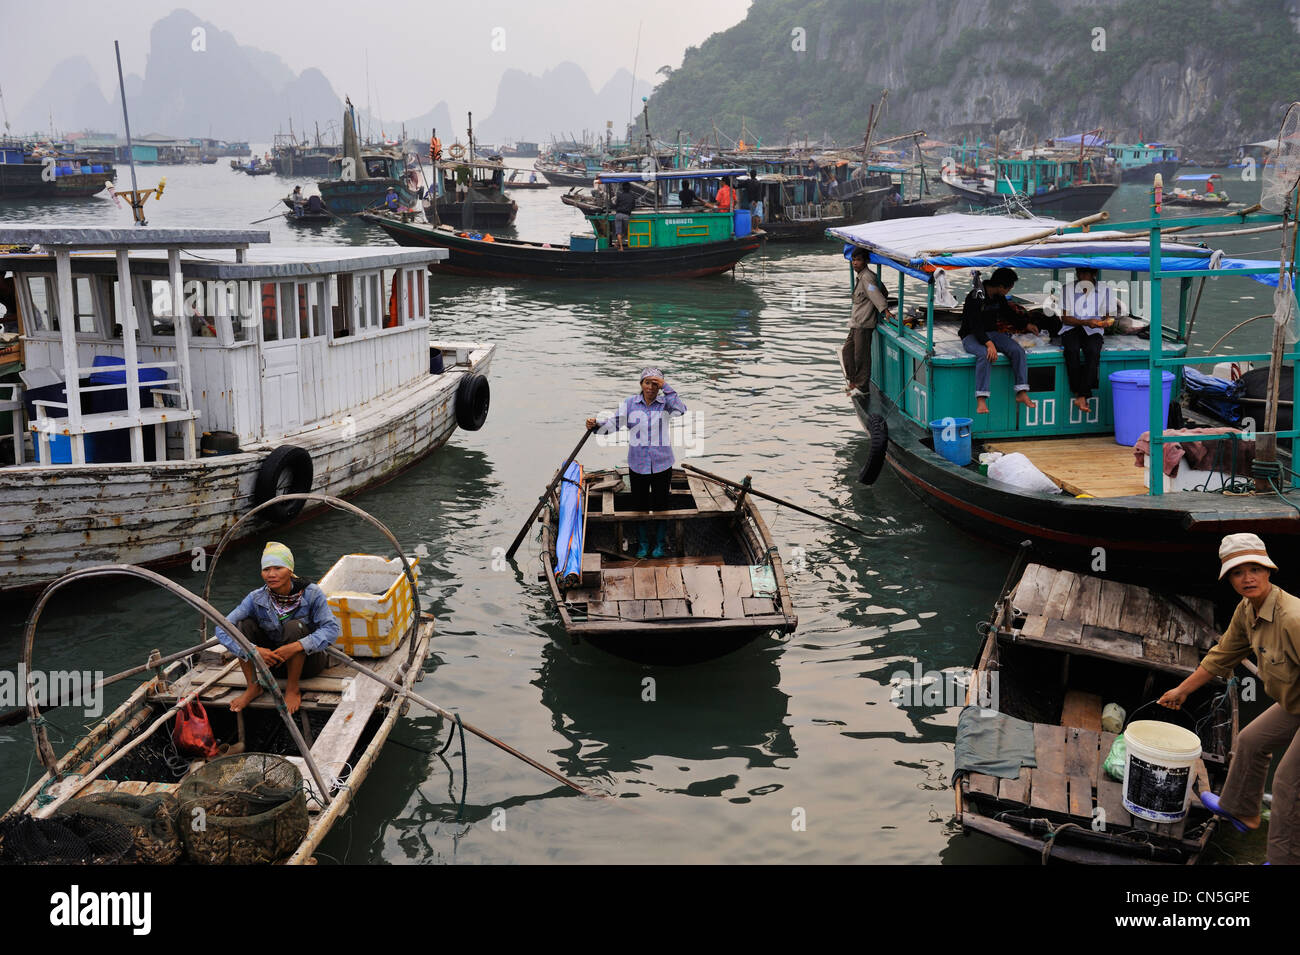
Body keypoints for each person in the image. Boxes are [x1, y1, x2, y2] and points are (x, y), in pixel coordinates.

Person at [1158, 534, 1300, 865]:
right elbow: (1223, 655)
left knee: (1287, 784)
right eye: (1238, 572)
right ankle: (1241, 809)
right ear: (1229, 579)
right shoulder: (1247, 610)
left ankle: (1284, 861)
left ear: (1269, 571)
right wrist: (1183, 690)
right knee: (1250, 741)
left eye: (1255, 569)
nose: (1247, 578)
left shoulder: (1292, 618)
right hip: (1294, 700)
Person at [214, 542, 341, 715]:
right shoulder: (255, 598)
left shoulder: (312, 593)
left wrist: (296, 646)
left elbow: (331, 629)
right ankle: (253, 687)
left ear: (290, 570)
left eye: (278, 568)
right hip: (271, 663)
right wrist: (254, 651)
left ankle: (292, 688)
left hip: (307, 664)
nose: (271, 574)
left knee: (293, 627)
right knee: (242, 626)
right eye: (266, 569)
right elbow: (222, 628)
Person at [586, 368, 687, 558]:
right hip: (638, 464)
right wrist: (596, 425)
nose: (651, 387)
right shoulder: (630, 404)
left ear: (660, 387)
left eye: (655, 384)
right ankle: (642, 544)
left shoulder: (666, 404)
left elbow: (681, 410)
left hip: (662, 463)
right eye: (647, 383)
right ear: (641, 384)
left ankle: (658, 544)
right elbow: (613, 424)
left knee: (661, 504)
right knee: (639, 505)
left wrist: (666, 386)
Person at [958, 267, 1038, 415]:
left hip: (992, 333)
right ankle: (981, 398)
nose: (1009, 291)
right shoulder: (975, 297)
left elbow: (1009, 315)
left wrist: (1026, 325)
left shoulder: (998, 298)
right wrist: (989, 344)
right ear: (1002, 286)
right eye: (1009, 288)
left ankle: (1021, 391)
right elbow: (975, 325)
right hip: (971, 335)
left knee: (1017, 351)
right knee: (984, 354)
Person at [1060, 266, 1116, 414]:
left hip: (1094, 329)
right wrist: (1085, 322)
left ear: (1094, 274)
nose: (1081, 276)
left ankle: (1082, 395)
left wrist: (1104, 322)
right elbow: (1065, 317)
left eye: (1085, 273)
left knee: (1092, 351)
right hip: (1072, 327)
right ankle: (1080, 393)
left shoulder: (1105, 290)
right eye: (1079, 272)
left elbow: (1108, 315)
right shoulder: (1067, 289)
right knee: (1071, 350)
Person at [841, 248, 893, 396]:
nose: (855, 263)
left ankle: (862, 387)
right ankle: (852, 381)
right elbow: (882, 290)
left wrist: (884, 310)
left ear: (865, 261)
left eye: (858, 260)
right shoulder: (861, 277)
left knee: (861, 356)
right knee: (847, 351)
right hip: (856, 323)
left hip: (864, 323)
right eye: (853, 260)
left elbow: (876, 293)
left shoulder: (867, 278)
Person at [613, 182, 636, 251]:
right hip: (626, 215)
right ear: (629, 188)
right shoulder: (632, 196)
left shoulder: (620, 195)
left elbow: (616, 205)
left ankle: (619, 245)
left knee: (618, 232)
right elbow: (633, 207)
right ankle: (620, 246)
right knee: (625, 232)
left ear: (622, 188)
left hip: (619, 215)